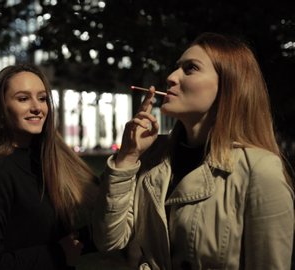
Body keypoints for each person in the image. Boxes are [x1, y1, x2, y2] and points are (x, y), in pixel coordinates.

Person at [92, 32, 294, 269]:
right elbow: (109, 240)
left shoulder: (260, 170)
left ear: (229, 86)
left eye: (190, 69)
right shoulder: (152, 157)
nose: (171, 77)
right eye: (177, 68)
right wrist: (127, 157)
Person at [0, 63, 98, 270]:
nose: (37, 107)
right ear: (1, 110)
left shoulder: (51, 160)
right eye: (23, 98)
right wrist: (58, 254)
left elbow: (61, 240)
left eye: (42, 98)